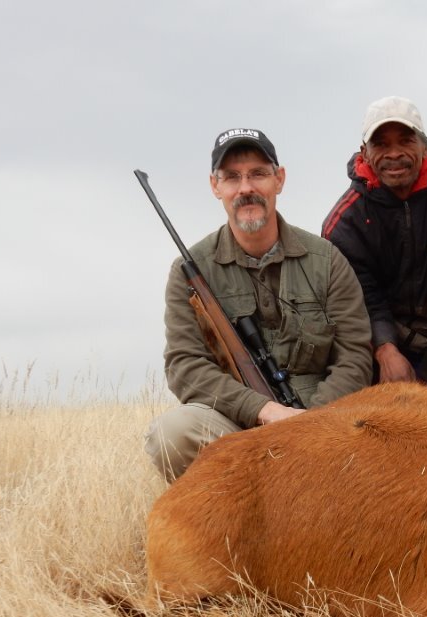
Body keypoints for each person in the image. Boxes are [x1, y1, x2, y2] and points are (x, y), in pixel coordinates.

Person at [145, 128, 373, 481]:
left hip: (325, 426)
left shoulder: (327, 260)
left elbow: (355, 356)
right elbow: (185, 365)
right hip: (238, 428)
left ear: (279, 180)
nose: (245, 188)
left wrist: (311, 423)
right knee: (172, 434)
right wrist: (263, 410)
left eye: (258, 174)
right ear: (215, 186)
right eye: (232, 177)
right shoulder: (189, 272)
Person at [322, 96, 427, 391]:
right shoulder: (345, 222)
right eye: (381, 144)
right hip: (382, 344)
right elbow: (362, 301)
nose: (394, 154)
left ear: (425, 146)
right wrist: (384, 349)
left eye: (406, 141)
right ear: (364, 153)